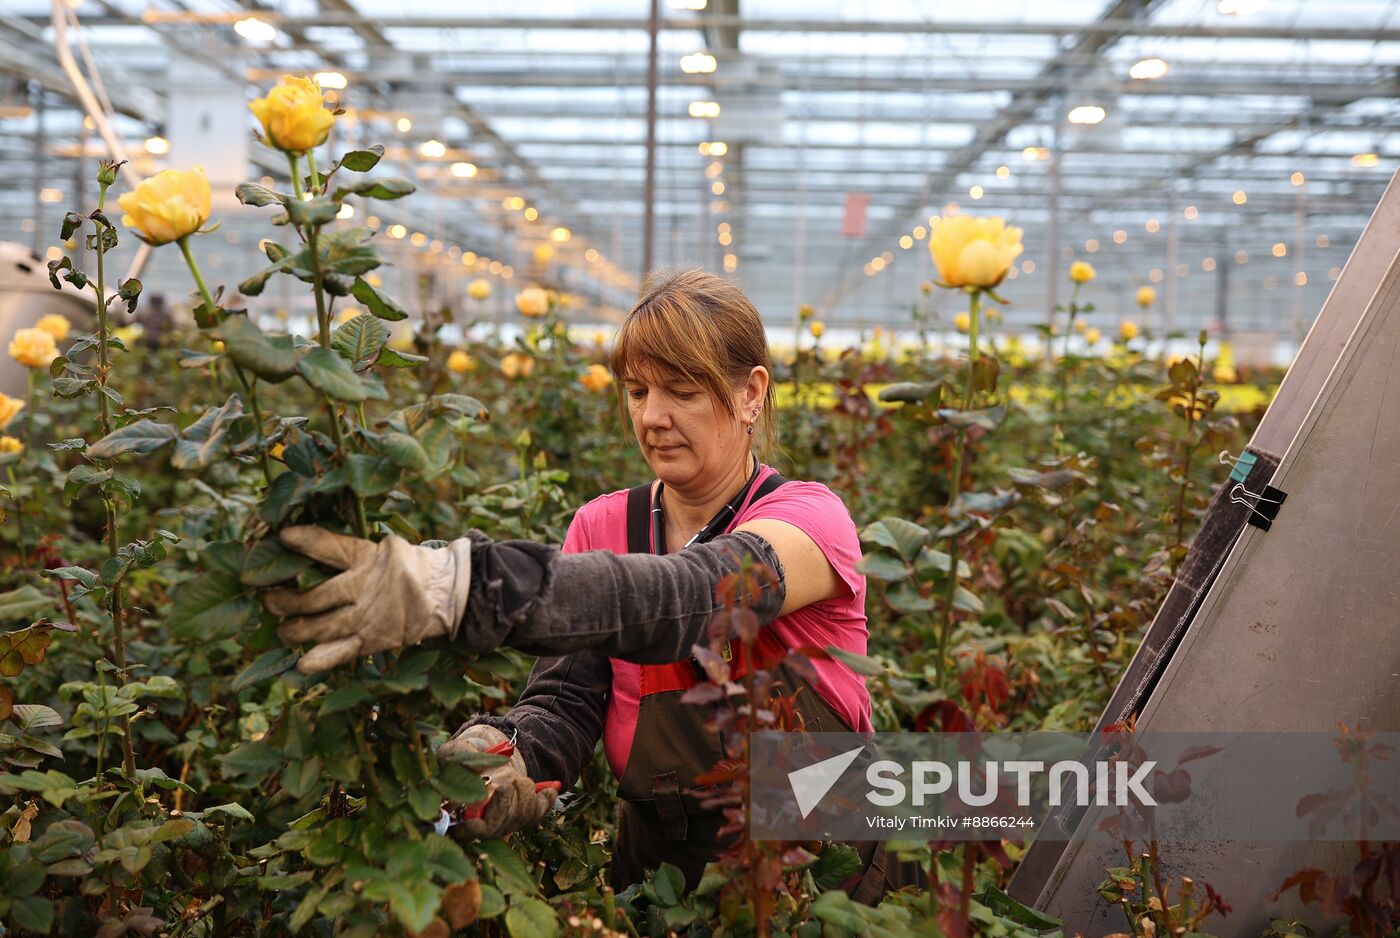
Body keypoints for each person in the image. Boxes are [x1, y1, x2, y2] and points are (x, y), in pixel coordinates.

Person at [265, 268, 902, 900]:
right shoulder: (603, 523)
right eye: (636, 391)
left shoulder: (810, 520)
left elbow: (693, 597)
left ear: (750, 393)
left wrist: (467, 585)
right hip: (658, 871)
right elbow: (567, 701)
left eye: (681, 391)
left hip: (821, 872)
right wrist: (507, 757)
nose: (653, 417)